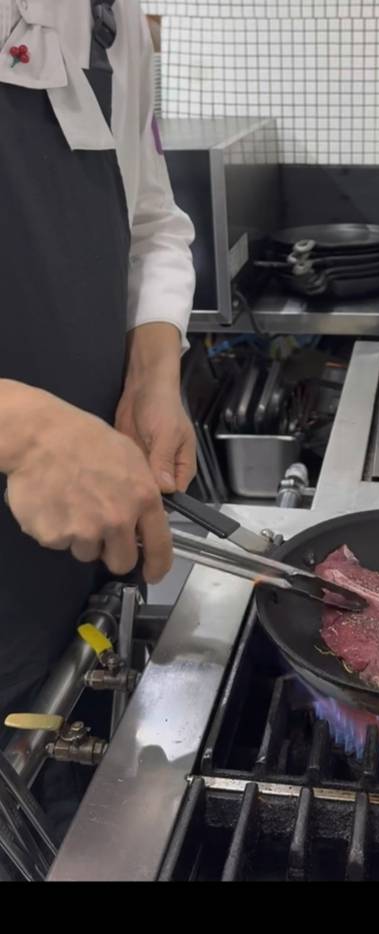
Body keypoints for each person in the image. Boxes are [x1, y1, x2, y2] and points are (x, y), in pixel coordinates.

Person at [0, 0, 197, 724]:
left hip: (75, 557)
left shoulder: (112, 16)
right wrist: (23, 430)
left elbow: (148, 217)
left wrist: (152, 371)